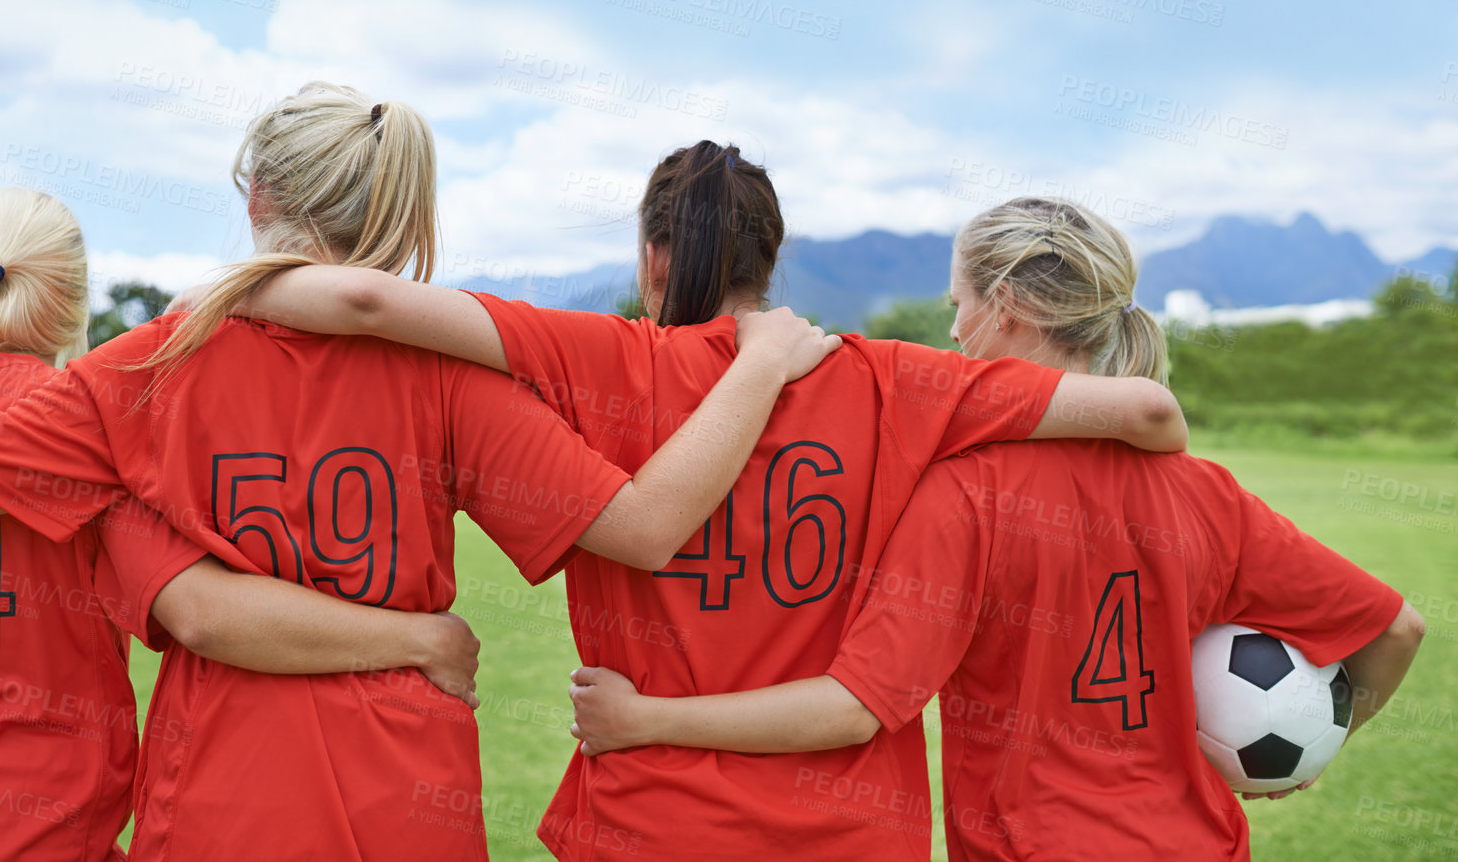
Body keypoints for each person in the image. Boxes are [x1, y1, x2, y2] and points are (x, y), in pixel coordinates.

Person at [0, 88, 838, 862]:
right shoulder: (439, 375)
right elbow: (646, 525)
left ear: (256, 195)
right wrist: (754, 367)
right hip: (408, 791)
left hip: (221, 793)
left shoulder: (142, 365)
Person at [199, 143, 1191, 861]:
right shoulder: (898, 379)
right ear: (773, 252)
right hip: (851, 832)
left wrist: (224, 295)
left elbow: (366, 302)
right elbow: (1146, 410)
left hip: (650, 821)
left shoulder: (592, 357)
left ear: (653, 258)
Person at [564, 196, 1427, 862]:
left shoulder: (963, 493)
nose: (950, 330)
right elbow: (1395, 628)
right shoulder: (1207, 493)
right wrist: (1312, 742)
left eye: (958, 303)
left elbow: (854, 706)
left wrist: (648, 718)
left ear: (1008, 304)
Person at [0, 187, 484, 862]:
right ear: (72, 299)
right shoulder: (90, 430)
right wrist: (420, 636)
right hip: (36, 839)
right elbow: (201, 610)